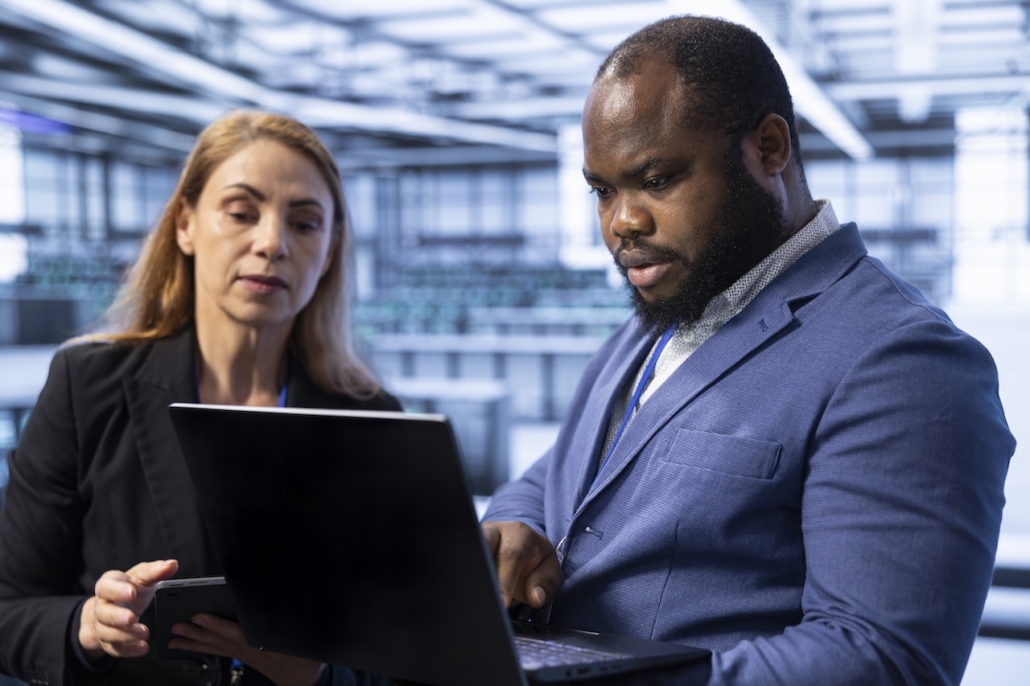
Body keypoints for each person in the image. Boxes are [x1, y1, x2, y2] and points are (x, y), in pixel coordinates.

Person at [482, 16, 1015, 686]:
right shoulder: (655, 321)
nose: (622, 222)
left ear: (768, 148)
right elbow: (559, 475)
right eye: (603, 190)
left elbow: (880, 658)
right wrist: (513, 527)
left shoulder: (904, 364)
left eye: (657, 179)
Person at [0, 111, 401, 686]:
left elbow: (417, 645)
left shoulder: (374, 421)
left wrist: (322, 674)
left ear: (332, 249)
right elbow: (10, 609)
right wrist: (87, 624)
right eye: (241, 213)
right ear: (185, 224)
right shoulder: (86, 385)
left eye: (306, 223)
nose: (271, 243)